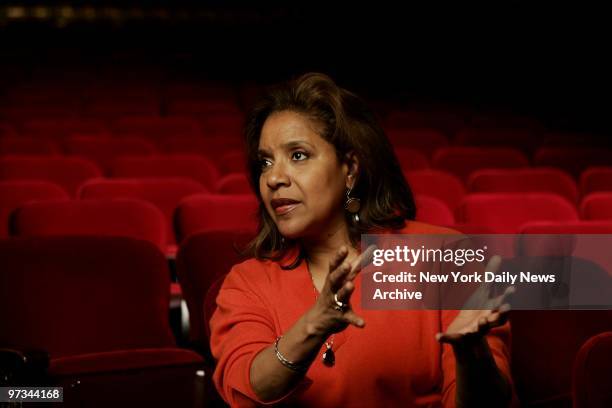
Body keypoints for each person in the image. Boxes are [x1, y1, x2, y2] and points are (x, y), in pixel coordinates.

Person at [209, 73, 516, 407]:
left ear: (350, 169)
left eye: (298, 155)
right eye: (265, 162)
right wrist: (314, 324)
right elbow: (249, 390)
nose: (274, 178)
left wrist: (471, 354)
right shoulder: (247, 282)